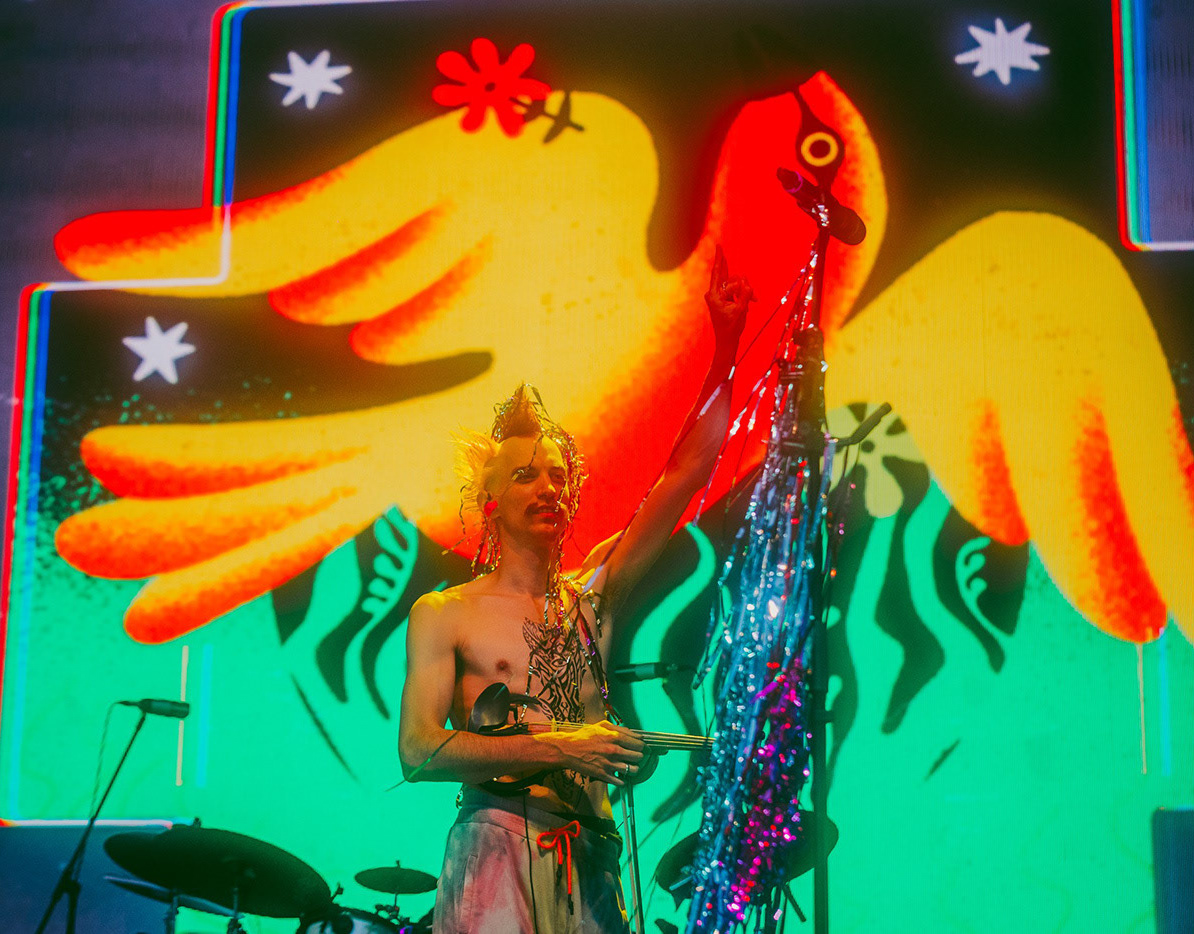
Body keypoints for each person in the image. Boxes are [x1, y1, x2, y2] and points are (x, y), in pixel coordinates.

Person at [398, 248, 753, 933]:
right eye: (526, 475)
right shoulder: (445, 613)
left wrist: (726, 347)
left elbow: (685, 472)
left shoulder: (593, 597)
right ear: (491, 501)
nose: (548, 488)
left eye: (558, 477)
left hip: (592, 856)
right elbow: (418, 752)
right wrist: (561, 745)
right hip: (497, 845)